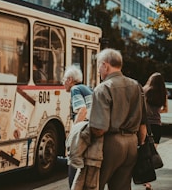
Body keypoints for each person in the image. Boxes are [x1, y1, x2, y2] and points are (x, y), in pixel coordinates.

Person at [88, 48, 147, 190]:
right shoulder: (136, 86)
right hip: (132, 144)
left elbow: (99, 128)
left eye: (99, 67)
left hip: (110, 144)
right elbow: (143, 123)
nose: (99, 71)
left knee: (94, 185)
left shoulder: (103, 88)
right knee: (122, 187)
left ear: (105, 65)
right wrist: (138, 143)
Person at [62, 64, 93, 188]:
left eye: (64, 79)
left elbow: (82, 110)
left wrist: (73, 133)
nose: (63, 82)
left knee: (74, 168)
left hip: (84, 131)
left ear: (70, 80)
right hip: (92, 131)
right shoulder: (87, 88)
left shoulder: (76, 89)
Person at [143, 72, 167, 190]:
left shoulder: (144, 90)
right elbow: (165, 109)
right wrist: (156, 111)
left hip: (145, 125)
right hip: (157, 126)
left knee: (143, 151)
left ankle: (142, 177)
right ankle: (148, 180)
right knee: (152, 153)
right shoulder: (163, 94)